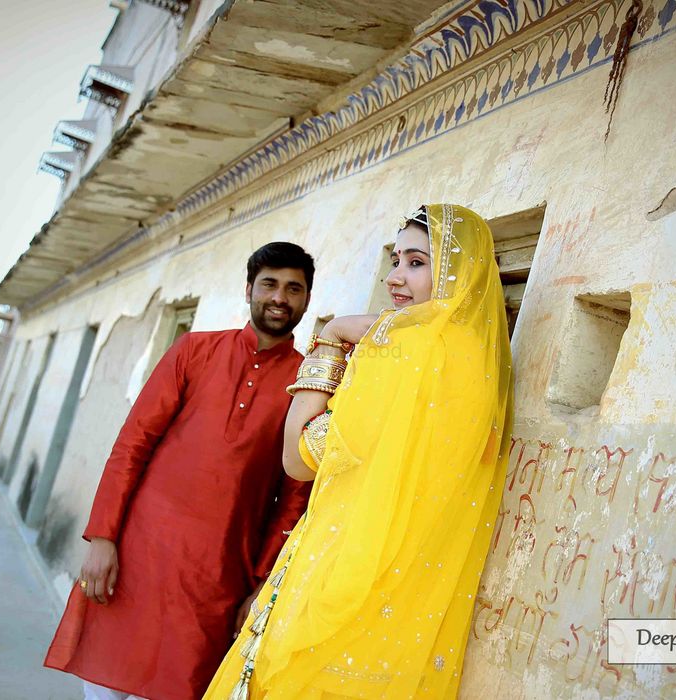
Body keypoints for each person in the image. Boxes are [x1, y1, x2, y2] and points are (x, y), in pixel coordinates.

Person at [204, 204, 513, 699]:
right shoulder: (481, 361)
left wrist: (330, 339)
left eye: (417, 263)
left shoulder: (395, 350)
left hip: (345, 570)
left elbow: (300, 456)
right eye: (396, 260)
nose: (395, 277)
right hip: (411, 590)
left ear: (457, 274)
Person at [45, 242, 318, 700]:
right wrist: (103, 538)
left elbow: (294, 498)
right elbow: (133, 444)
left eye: (294, 289)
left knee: (178, 686)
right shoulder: (194, 350)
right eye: (269, 284)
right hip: (137, 556)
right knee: (103, 682)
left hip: (217, 578)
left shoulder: (306, 383)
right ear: (248, 288)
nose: (280, 298)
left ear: (306, 300)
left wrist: (261, 586)